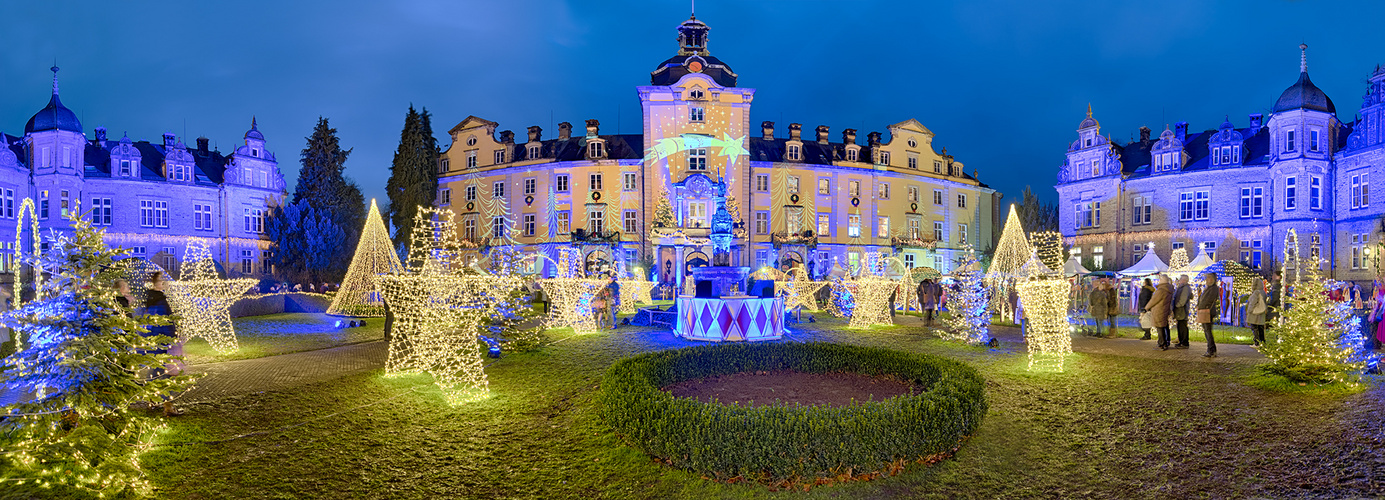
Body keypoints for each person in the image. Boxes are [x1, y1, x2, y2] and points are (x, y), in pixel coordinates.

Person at [144, 272, 184, 416]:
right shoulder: (159, 300)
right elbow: (161, 322)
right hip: (162, 342)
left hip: (155, 342)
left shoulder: (152, 298)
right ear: (156, 283)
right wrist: (172, 337)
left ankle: (152, 400)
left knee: (154, 372)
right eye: (162, 280)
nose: (165, 282)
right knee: (166, 373)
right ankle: (167, 406)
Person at [1197, 273, 1221, 358]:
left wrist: (1201, 306)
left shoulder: (1214, 288)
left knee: (1208, 331)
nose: (1207, 279)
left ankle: (1211, 350)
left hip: (1208, 312)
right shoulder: (1208, 288)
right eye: (1207, 278)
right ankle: (1211, 349)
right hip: (1205, 311)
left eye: (1209, 278)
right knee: (1207, 331)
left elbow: (1208, 300)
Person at [1147, 275, 1173, 350]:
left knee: (1160, 327)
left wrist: (1147, 307)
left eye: (1160, 279)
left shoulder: (1161, 290)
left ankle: (1162, 344)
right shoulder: (1168, 289)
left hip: (1159, 310)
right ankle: (1164, 342)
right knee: (1163, 326)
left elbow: (1154, 300)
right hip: (1164, 309)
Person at [1171, 275, 1192, 348]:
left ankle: (1184, 342)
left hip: (1182, 310)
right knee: (1180, 325)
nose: (1179, 280)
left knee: (1182, 326)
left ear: (1184, 280)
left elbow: (1183, 299)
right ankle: (1181, 341)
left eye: (1180, 279)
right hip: (1180, 310)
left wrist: (1177, 305)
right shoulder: (1181, 287)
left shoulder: (1185, 288)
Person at [1247, 277, 1268, 346]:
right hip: (1261, 313)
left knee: (1254, 328)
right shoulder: (1263, 292)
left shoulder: (1256, 292)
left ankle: (1257, 343)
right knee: (1260, 328)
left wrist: (1249, 310)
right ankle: (1262, 342)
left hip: (1255, 314)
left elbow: (1252, 302)